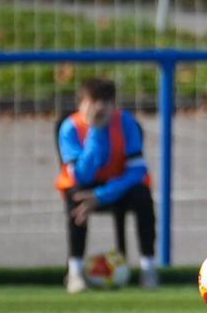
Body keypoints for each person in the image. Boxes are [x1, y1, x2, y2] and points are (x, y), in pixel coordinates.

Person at [55, 77, 158, 292]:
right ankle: (75, 271)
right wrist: (96, 131)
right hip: (84, 188)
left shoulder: (126, 123)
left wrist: (102, 195)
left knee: (143, 195)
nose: (100, 108)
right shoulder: (70, 128)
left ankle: (148, 268)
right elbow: (81, 176)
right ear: (81, 104)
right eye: (94, 101)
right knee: (77, 198)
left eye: (107, 102)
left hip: (118, 186)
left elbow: (137, 171)